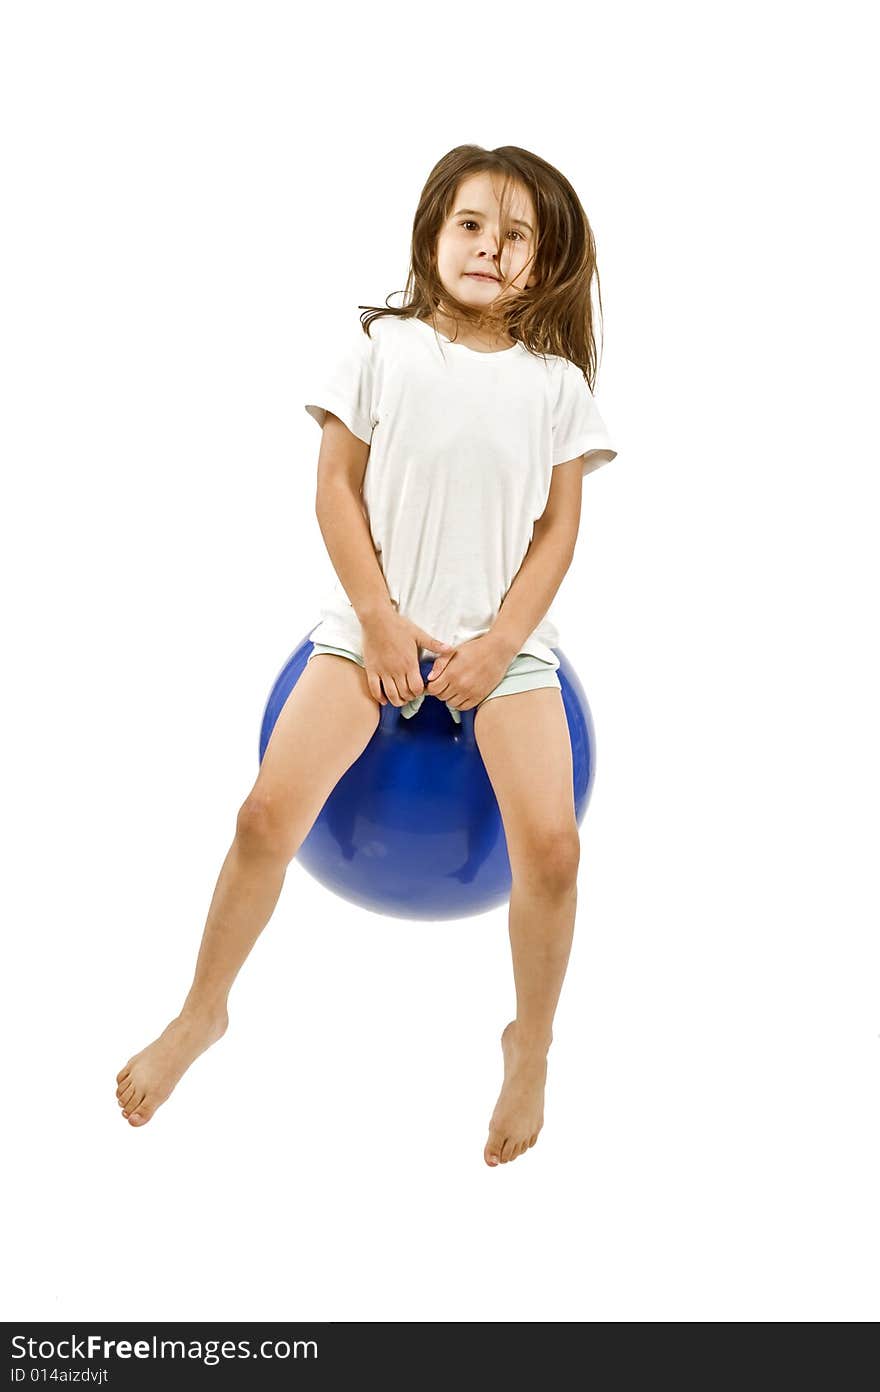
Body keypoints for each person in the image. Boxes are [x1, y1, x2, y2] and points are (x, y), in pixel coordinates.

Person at [115, 144, 617, 1166]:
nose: (488, 246)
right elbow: (334, 488)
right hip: (369, 628)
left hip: (502, 647)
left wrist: (502, 644)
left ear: (541, 262)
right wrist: (382, 621)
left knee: (555, 856)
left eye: (514, 235)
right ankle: (202, 1011)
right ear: (432, 236)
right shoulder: (380, 350)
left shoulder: (555, 386)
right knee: (263, 817)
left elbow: (557, 533)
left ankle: (531, 1043)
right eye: (470, 224)